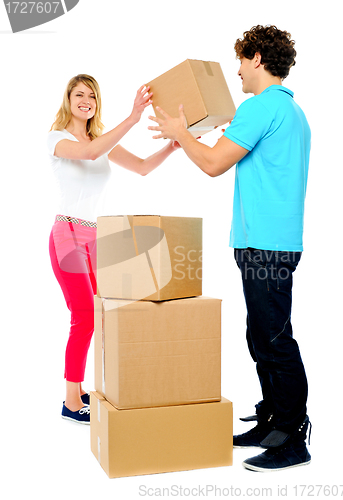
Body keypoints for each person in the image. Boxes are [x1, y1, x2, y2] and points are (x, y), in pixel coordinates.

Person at [148, 25, 311, 472]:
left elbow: (214, 164)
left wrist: (182, 133)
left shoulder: (259, 107)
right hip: (269, 242)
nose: (237, 70)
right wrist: (186, 137)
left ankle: (294, 438)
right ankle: (272, 420)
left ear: (257, 58)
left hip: (265, 245)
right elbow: (216, 155)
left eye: (241, 60)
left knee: (274, 340)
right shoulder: (289, 110)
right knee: (260, 334)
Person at [48, 74, 179, 425]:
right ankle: (71, 402)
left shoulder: (100, 139)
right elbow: (89, 153)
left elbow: (141, 168)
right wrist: (133, 117)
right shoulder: (57, 138)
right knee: (84, 316)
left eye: (92, 95)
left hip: (95, 237)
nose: (86, 100)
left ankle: (77, 393)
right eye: (79, 94)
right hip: (67, 233)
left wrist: (171, 146)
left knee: (97, 316)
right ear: (68, 100)